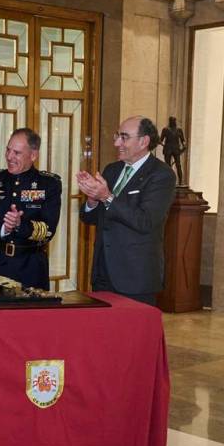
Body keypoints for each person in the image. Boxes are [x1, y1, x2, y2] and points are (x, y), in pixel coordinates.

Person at [77, 116, 176, 306]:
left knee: (133, 334)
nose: (116, 143)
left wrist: (107, 197)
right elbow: (89, 218)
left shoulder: (161, 175)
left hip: (135, 277)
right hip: (103, 273)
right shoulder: (112, 170)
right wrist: (92, 199)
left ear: (143, 141)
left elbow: (145, 221)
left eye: (124, 137)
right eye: (117, 136)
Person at [0, 128, 61, 290]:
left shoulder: (49, 184)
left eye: (17, 153)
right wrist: (3, 229)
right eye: (8, 150)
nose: (9, 157)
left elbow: (48, 231)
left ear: (33, 156)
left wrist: (20, 224)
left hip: (31, 268)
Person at [159, 116, 186, 184]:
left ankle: (180, 181)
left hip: (176, 149)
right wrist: (159, 141)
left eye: (174, 121)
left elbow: (183, 140)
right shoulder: (165, 129)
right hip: (168, 149)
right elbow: (161, 140)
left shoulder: (179, 130)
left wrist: (184, 145)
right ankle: (168, 181)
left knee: (178, 165)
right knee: (167, 166)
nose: (173, 122)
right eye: (172, 121)